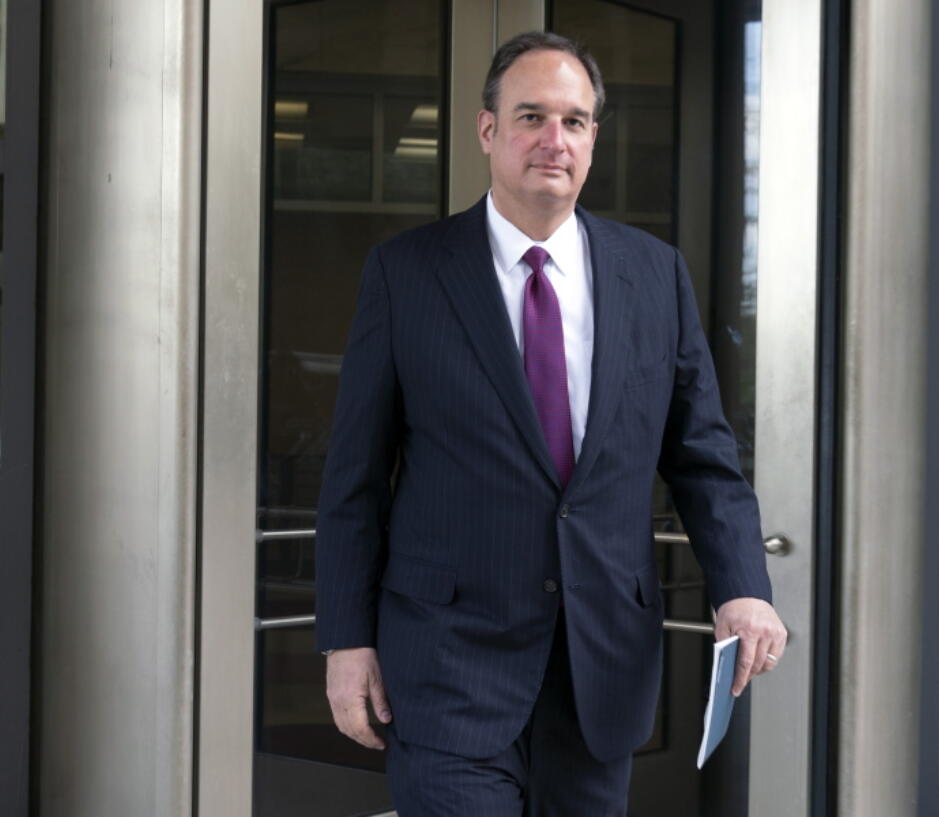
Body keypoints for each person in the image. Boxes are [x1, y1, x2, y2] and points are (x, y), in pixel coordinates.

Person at [315, 30, 787, 817]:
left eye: (573, 120)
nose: (553, 140)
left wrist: (742, 586)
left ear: (594, 137)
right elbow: (353, 477)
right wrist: (345, 639)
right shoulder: (407, 273)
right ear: (488, 130)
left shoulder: (654, 275)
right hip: (446, 664)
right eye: (531, 116)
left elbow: (703, 455)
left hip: (599, 669)